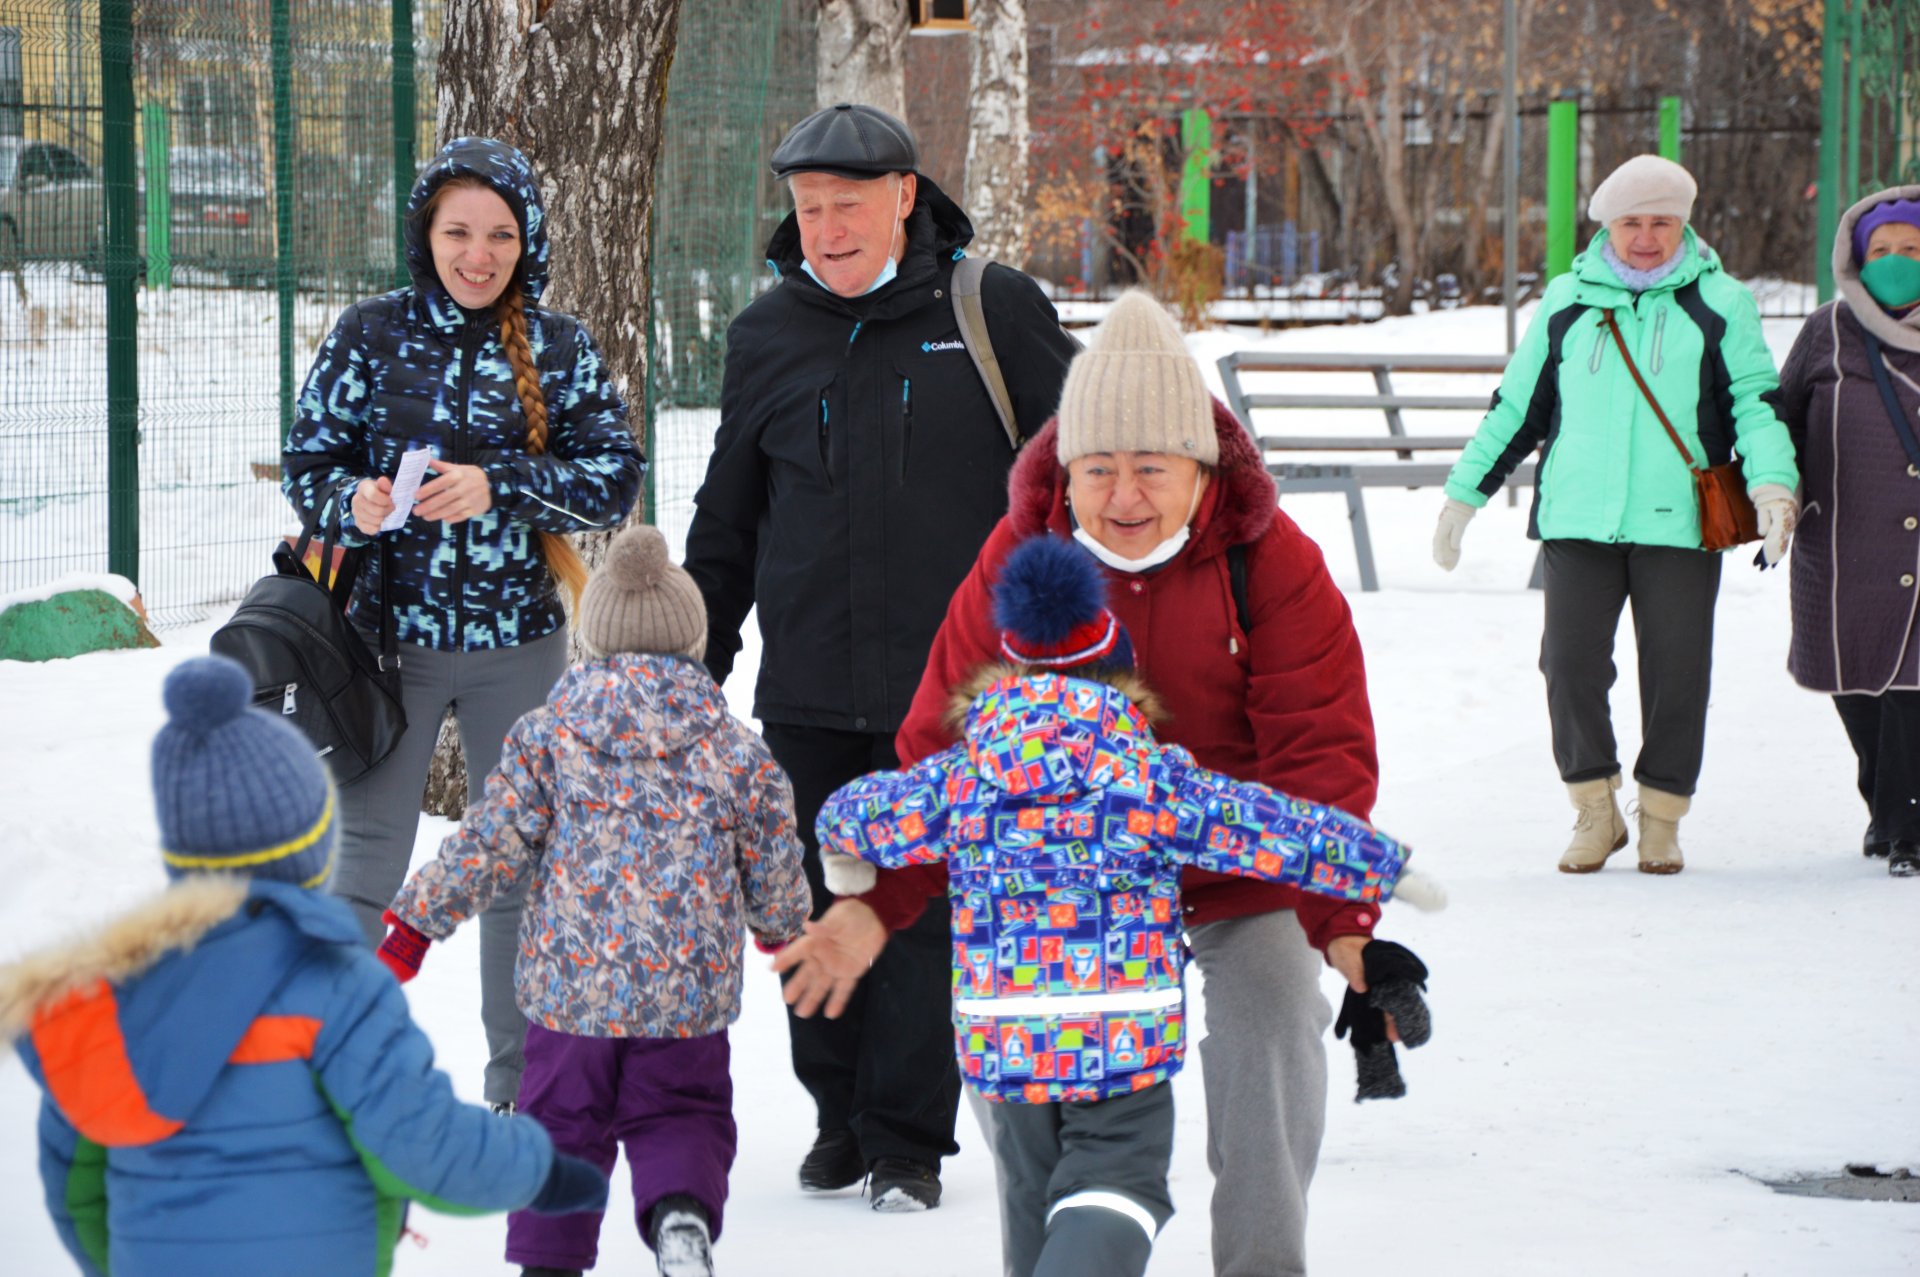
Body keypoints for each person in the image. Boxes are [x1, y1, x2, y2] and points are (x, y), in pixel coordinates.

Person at [872, 288, 1388, 1277]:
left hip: (1234, 863)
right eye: (1100, 469)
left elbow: (1317, 753)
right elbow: (944, 738)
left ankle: (1262, 1261)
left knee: (1273, 1019)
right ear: (1067, 471)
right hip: (1072, 879)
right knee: (1016, 1052)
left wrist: (1343, 922)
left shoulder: (1271, 562)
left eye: (1152, 468)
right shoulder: (1022, 558)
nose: (1125, 496)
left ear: (1201, 468)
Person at [774, 535, 1426, 1277]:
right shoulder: (1150, 775)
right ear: (1119, 672)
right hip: (1118, 1037)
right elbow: (1272, 828)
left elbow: (857, 810)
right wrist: (1380, 865)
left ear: (1005, 664)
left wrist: (845, 860)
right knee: (1118, 1190)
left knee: (1034, 1198)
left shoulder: (962, 774)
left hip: (1002, 1040)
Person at [681, 102, 1079, 1209]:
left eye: (848, 204)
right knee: (814, 901)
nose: (826, 227)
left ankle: (908, 1135)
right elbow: (729, 515)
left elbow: (1078, 478)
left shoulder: (991, 310)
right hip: (807, 680)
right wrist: (692, 663)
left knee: (912, 907)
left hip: (953, 686)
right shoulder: (769, 331)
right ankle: (837, 1114)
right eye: (808, 208)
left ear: (906, 197)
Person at [0, 656, 609, 1277]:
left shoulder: (106, 1003)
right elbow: (424, 1147)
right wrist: (542, 1168)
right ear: (310, 850)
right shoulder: (340, 992)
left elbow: (75, 1190)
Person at [282, 136, 645, 1110]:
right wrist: (349, 502)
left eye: (499, 234)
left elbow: (615, 475)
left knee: (520, 870)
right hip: (384, 649)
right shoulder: (368, 334)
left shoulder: (559, 344)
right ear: (424, 235)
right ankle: (333, 1086)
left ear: (526, 242)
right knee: (364, 867)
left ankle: (521, 1093)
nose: (477, 254)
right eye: (458, 232)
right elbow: (307, 463)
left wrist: (504, 485)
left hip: (518, 646)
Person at [376, 525, 813, 1277]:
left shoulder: (547, 737)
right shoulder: (733, 747)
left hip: (568, 996)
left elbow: (488, 841)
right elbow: (773, 847)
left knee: (559, 1126)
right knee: (681, 1111)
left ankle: (549, 1262)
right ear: (691, 638)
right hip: (686, 996)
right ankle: (679, 1214)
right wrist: (783, 928)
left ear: (593, 639)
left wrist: (415, 923)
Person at [1433, 154, 1800, 874]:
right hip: (1578, 521)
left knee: (1677, 672)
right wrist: (1463, 494)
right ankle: (1595, 811)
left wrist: (1773, 485)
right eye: (1631, 222)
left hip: (1681, 524)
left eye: (1661, 222)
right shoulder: (1569, 300)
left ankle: (1661, 815)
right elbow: (1520, 407)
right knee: (1568, 665)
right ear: (1608, 224)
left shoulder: (1720, 303)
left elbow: (1755, 401)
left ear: (1683, 224)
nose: (1646, 236)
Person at [1772, 186, 1920, 879]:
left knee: (1915, 682)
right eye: (1882, 250)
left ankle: (1907, 822)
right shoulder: (1828, 330)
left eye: (1912, 250)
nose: (1896, 262)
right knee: (1857, 679)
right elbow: (1779, 417)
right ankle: (1884, 803)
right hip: (1844, 541)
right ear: (1856, 258)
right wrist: (1775, 490)